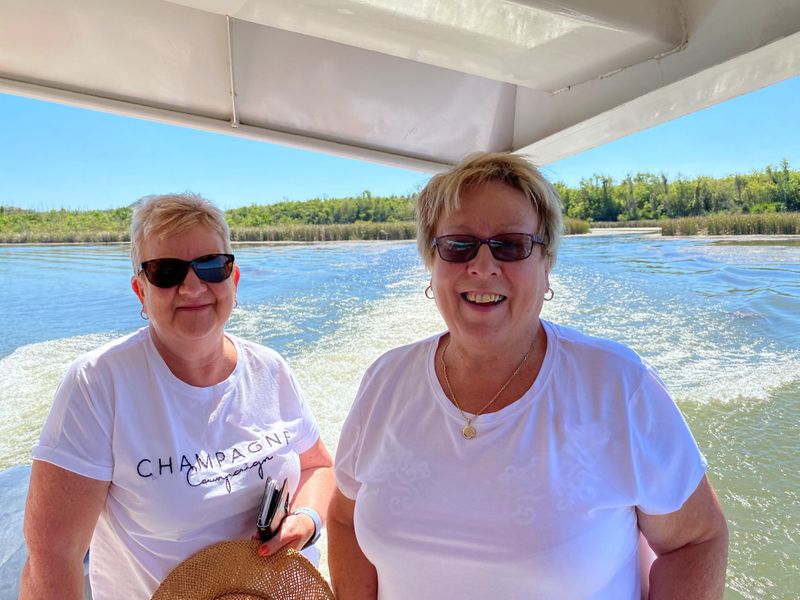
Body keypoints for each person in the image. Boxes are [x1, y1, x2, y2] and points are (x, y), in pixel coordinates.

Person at [328, 152, 728, 599]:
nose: (482, 266)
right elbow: (344, 518)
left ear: (546, 265)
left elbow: (696, 540)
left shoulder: (617, 386)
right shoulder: (386, 380)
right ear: (431, 262)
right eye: (458, 245)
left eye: (511, 245)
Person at [19, 193, 334, 599]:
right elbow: (53, 555)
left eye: (211, 266)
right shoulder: (99, 384)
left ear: (233, 280)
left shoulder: (270, 369)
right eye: (166, 272)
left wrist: (306, 518)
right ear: (140, 292)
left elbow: (319, 467)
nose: (192, 285)